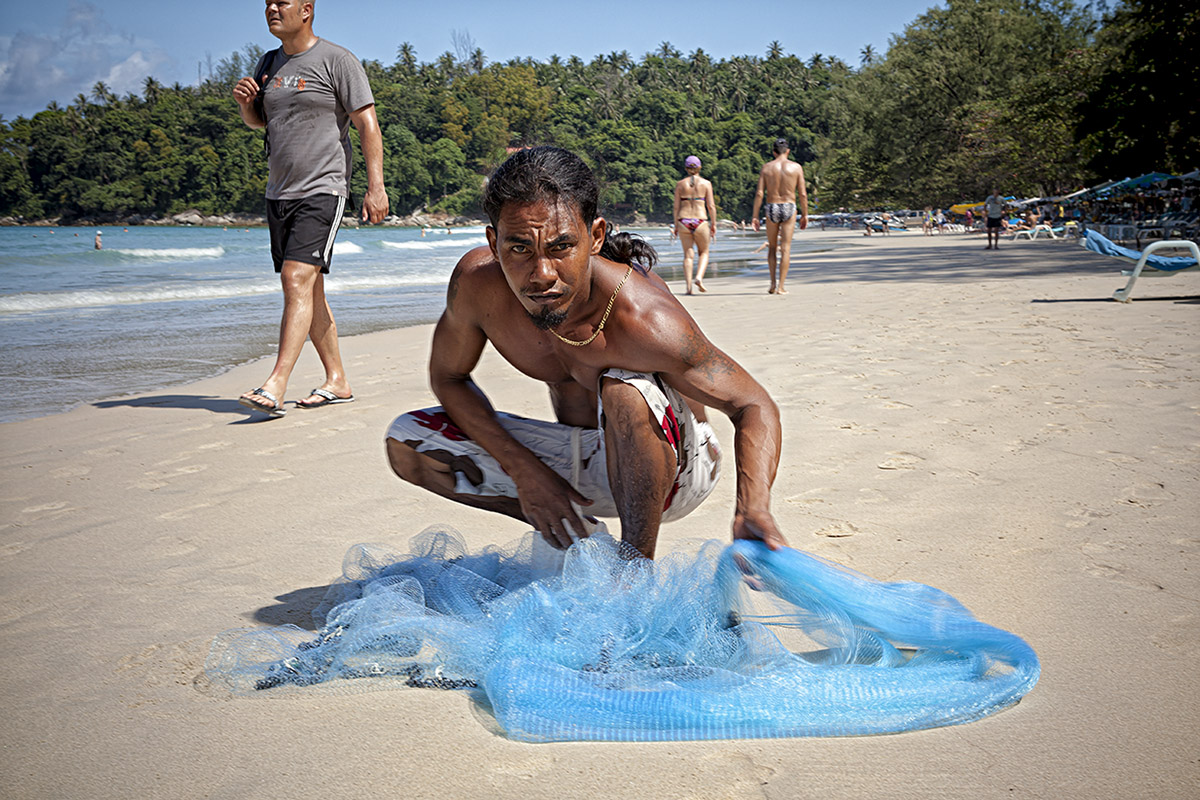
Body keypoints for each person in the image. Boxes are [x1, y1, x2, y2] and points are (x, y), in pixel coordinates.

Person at [385, 147, 787, 560]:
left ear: (595, 237)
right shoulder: (477, 285)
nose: (541, 275)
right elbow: (448, 376)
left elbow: (752, 403)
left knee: (623, 388)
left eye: (561, 247)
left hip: (680, 472)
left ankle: (633, 570)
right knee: (408, 441)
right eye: (519, 248)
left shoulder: (643, 318)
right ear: (493, 240)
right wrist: (527, 473)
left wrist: (752, 507)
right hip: (585, 464)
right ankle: (579, 537)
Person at [232, 0, 388, 418]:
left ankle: (275, 384)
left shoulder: (338, 60)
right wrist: (248, 105)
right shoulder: (268, 63)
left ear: (307, 9)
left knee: (296, 277)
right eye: (267, 3)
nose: (271, 8)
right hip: (279, 193)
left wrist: (376, 187)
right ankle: (337, 379)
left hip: (324, 189)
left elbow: (367, 124)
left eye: (281, 2)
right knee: (310, 290)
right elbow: (263, 123)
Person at [751, 138, 808, 294]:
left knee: (772, 248)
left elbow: (759, 193)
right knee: (786, 249)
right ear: (788, 151)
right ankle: (781, 287)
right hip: (789, 206)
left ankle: (772, 284)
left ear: (773, 152)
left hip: (772, 206)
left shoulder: (766, 168)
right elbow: (802, 193)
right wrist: (805, 214)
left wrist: (755, 216)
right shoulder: (796, 167)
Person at [671, 155, 716, 295]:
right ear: (700, 167)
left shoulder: (680, 184)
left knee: (688, 255)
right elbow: (711, 206)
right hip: (700, 220)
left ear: (686, 168)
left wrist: (676, 225)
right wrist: (713, 224)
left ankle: (689, 287)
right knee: (704, 252)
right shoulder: (706, 184)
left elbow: (676, 207)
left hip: (683, 220)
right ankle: (699, 277)